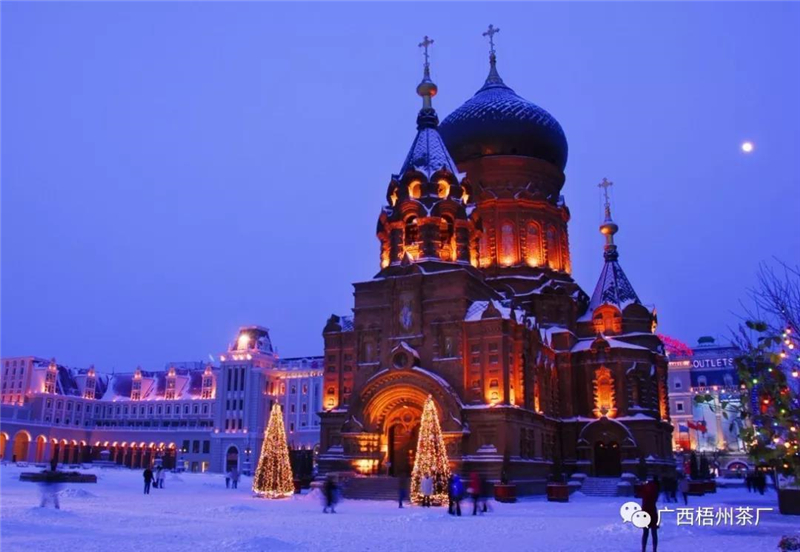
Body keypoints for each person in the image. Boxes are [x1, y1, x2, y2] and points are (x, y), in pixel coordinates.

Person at [640, 475, 659, 552]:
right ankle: (654, 549)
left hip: (645, 511)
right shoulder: (655, 488)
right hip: (653, 511)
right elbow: (656, 498)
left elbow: (639, 493)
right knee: (654, 533)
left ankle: (643, 549)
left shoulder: (644, 488)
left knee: (645, 533)